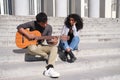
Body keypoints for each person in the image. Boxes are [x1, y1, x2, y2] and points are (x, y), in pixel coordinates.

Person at [17, 12, 60, 78]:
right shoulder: (33, 24)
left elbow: (48, 41)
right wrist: (28, 35)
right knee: (31, 49)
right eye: (43, 23)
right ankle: (46, 55)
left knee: (55, 48)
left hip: (41, 45)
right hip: (32, 45)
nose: (45, 25)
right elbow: (19, 27)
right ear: (38, 22)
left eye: (46, 22)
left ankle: (49, 68)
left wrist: (54, 42)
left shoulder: (49, 27)